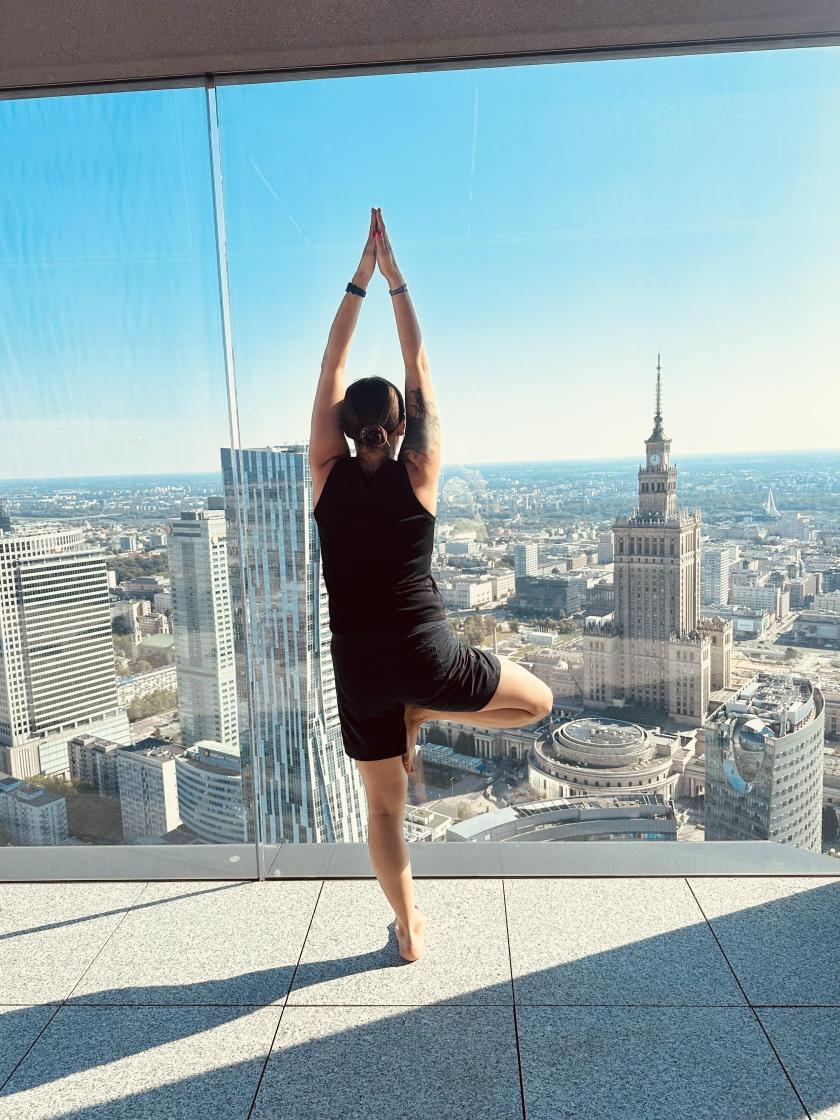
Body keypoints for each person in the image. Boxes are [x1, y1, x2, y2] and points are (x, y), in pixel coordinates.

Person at [309, 207, 553, 962]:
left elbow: (329, 371)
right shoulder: (420, 474)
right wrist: (391, 278)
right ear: (402, 425)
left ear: (348, 429)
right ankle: (426, 712)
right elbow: (420, 364)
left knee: (383, 811)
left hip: (356, 666)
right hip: (425, 655)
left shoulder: (323, 474)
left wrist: (352, 281)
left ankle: (410, 934)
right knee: (538, 705)